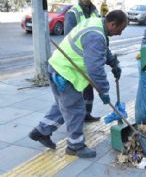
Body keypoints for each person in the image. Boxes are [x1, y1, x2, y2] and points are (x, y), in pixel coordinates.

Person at [29, 10, 127, 158]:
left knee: (64, 106)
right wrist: (104, 91)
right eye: (120, 29)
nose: (120, 34)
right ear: (112, 24)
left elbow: (103, 50)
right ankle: (75, 146)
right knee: (75, 110)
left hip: (58, 68)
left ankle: (41, 131)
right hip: (64, 74)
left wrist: (114, 63)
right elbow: (95, 69)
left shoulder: (97, 24)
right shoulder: (96, 36)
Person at [64, 0, 108, 122]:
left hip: (90, 58)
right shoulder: (73, 13)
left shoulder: (95, 12)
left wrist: (104, 16)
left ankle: (86, 114)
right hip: (77, 58)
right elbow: (69, 37)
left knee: (89, 89)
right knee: (77, 90)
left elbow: (100, 32)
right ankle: (75, 118)